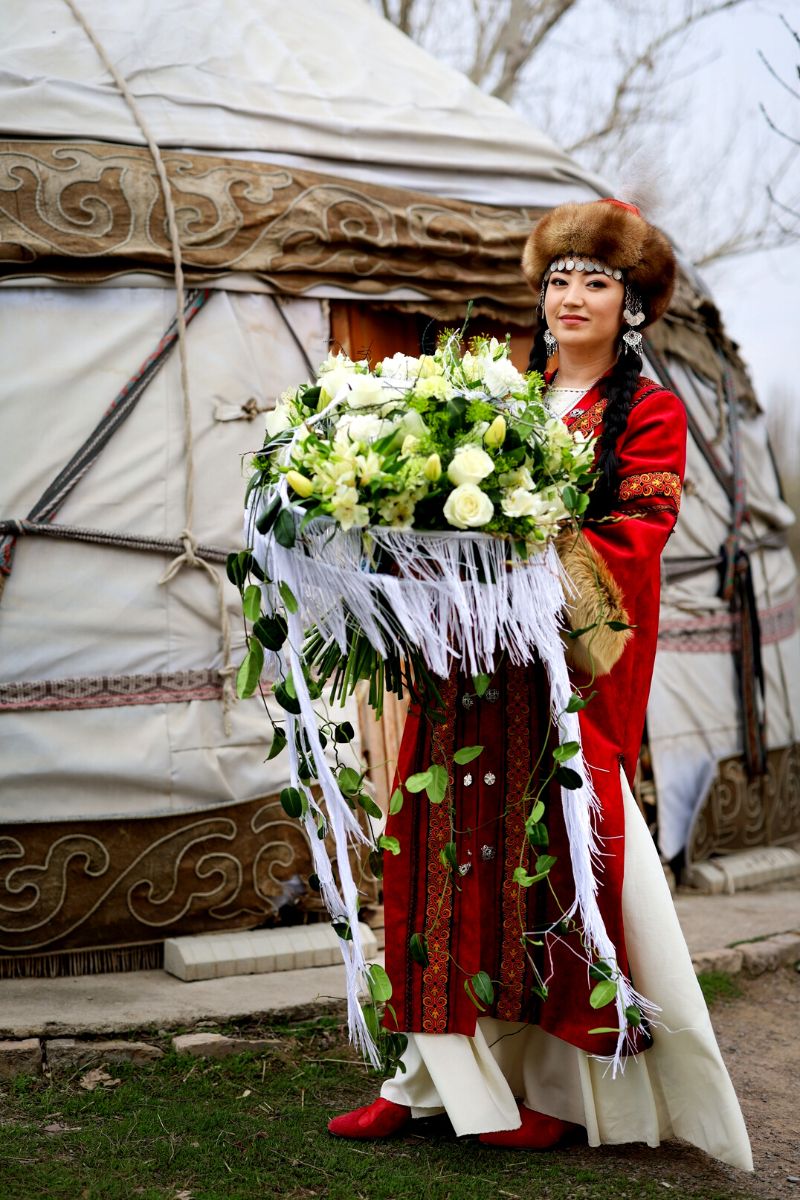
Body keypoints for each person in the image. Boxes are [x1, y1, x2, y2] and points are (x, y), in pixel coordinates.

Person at [327, 199, 752, 1171]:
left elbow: (636, 540)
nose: (570, 295)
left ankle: (560, 1094)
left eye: (594, 279)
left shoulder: (646, 412)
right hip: (466, 666)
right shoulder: (496, 394)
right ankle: (426, 1076)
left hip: (572, 670)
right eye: (557, 277)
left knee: (560, 857)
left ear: (631, 302)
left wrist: (527, 557)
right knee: (437, 847)